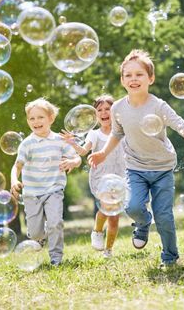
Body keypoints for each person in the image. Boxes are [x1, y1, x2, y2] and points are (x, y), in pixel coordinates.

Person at [88, 49, 184, 268]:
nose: (134, 79)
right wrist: (103, 153)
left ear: (150, 78)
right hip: (135, 167)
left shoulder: (158, 106)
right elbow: (117, 133)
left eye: (139, 74)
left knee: (164, 217)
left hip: (162, 168)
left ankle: (170, 257)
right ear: (122, 80)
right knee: (132, 207)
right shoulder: (118, 108)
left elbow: (183, 125)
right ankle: (143, 223)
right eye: (129, 75)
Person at [11, 98, 81, 267]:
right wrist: (14, 179)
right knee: (35, 232)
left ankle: (56, 257)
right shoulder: (27, 144)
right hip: (32, 193)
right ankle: (39, 239)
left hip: (54, 189)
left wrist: (73, 162)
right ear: (28, 121)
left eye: (40, 117)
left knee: (55, 222)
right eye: (32, 118)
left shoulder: (59, 140)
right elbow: (17, 166)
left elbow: (77, 157)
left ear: (51, 118)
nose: (36, 122)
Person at [60, 94, 125, 258]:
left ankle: (108, 250)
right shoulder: (94, 135)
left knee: (114, 218)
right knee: (106, 207)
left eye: (108, 109)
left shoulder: (122, 131)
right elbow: (83, 151)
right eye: (100, 110)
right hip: (101, 177)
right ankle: (97, 230)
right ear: (95, 115)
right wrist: (73, 143)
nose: (104, 113)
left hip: (120, 176)